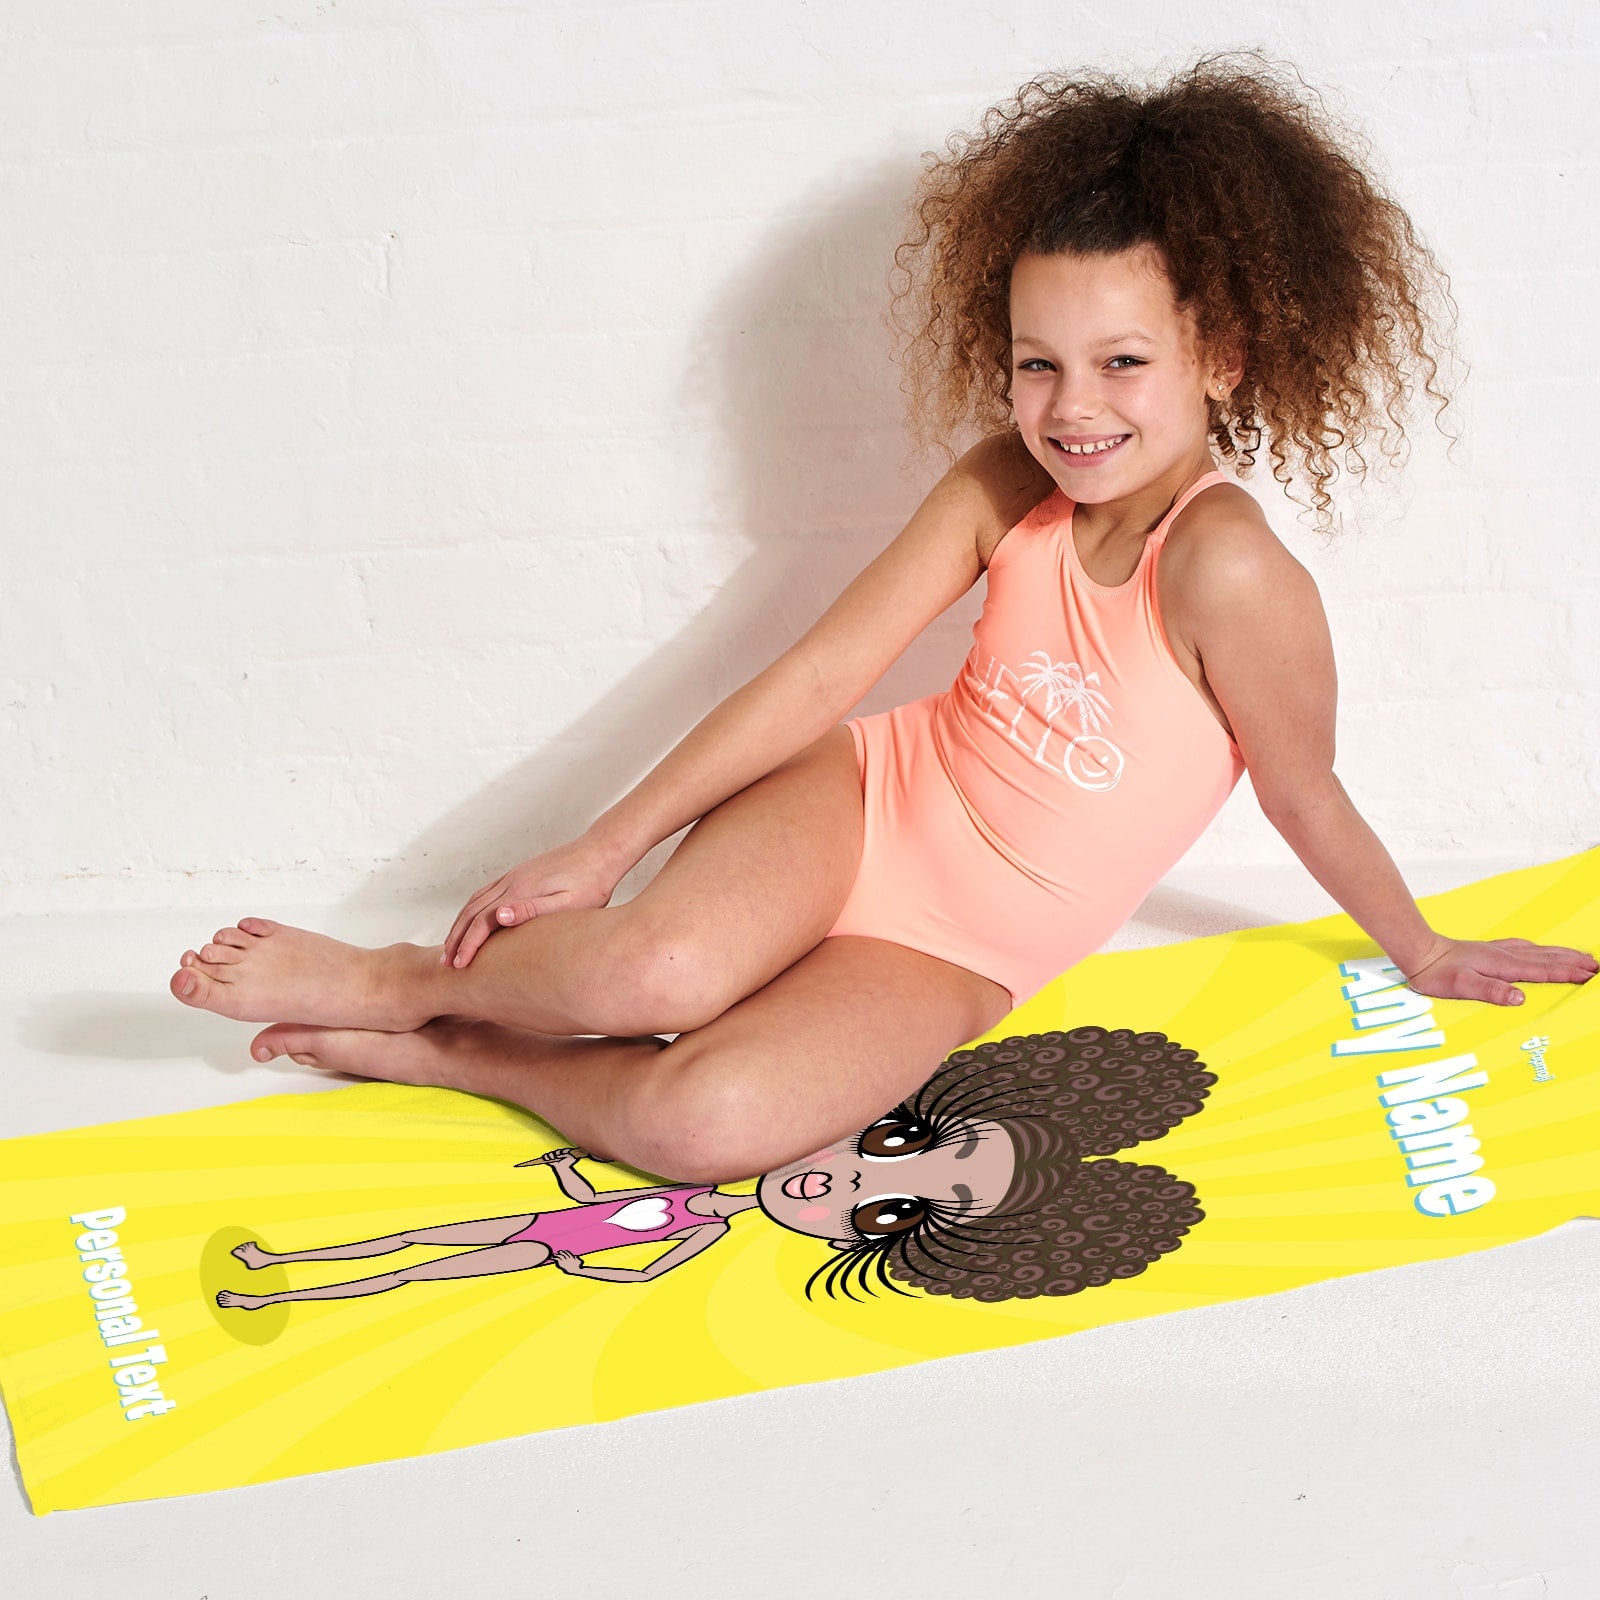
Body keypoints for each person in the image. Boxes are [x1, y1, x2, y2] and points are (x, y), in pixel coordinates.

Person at [169, 52, 1596, 1186]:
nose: (1071, 409)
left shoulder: (1228, 571)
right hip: (869, 800)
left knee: (703, 1120)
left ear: (1218, 354)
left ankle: (458, 1052)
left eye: (1121, 362)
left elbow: (1303, 789)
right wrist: (602, 847)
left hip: (962, 948)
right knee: (651, 970)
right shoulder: (1004, 483)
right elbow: (820, 675)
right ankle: (395, 978)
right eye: (1036, 364)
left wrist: (1421, 950)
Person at [214, 1030, 1212, 1308]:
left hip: (553, 1246)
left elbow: (651, 1262)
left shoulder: (704, 1219)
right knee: (411, 1241)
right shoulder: (730, 1162)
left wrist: (586, 1262)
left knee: (419, 1267)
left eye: (893, 1213)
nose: (847, 1184)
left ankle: (275, 1288)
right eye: (893, 1145)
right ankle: (271, 1267)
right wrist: (570, 1181)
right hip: (562, 1210)